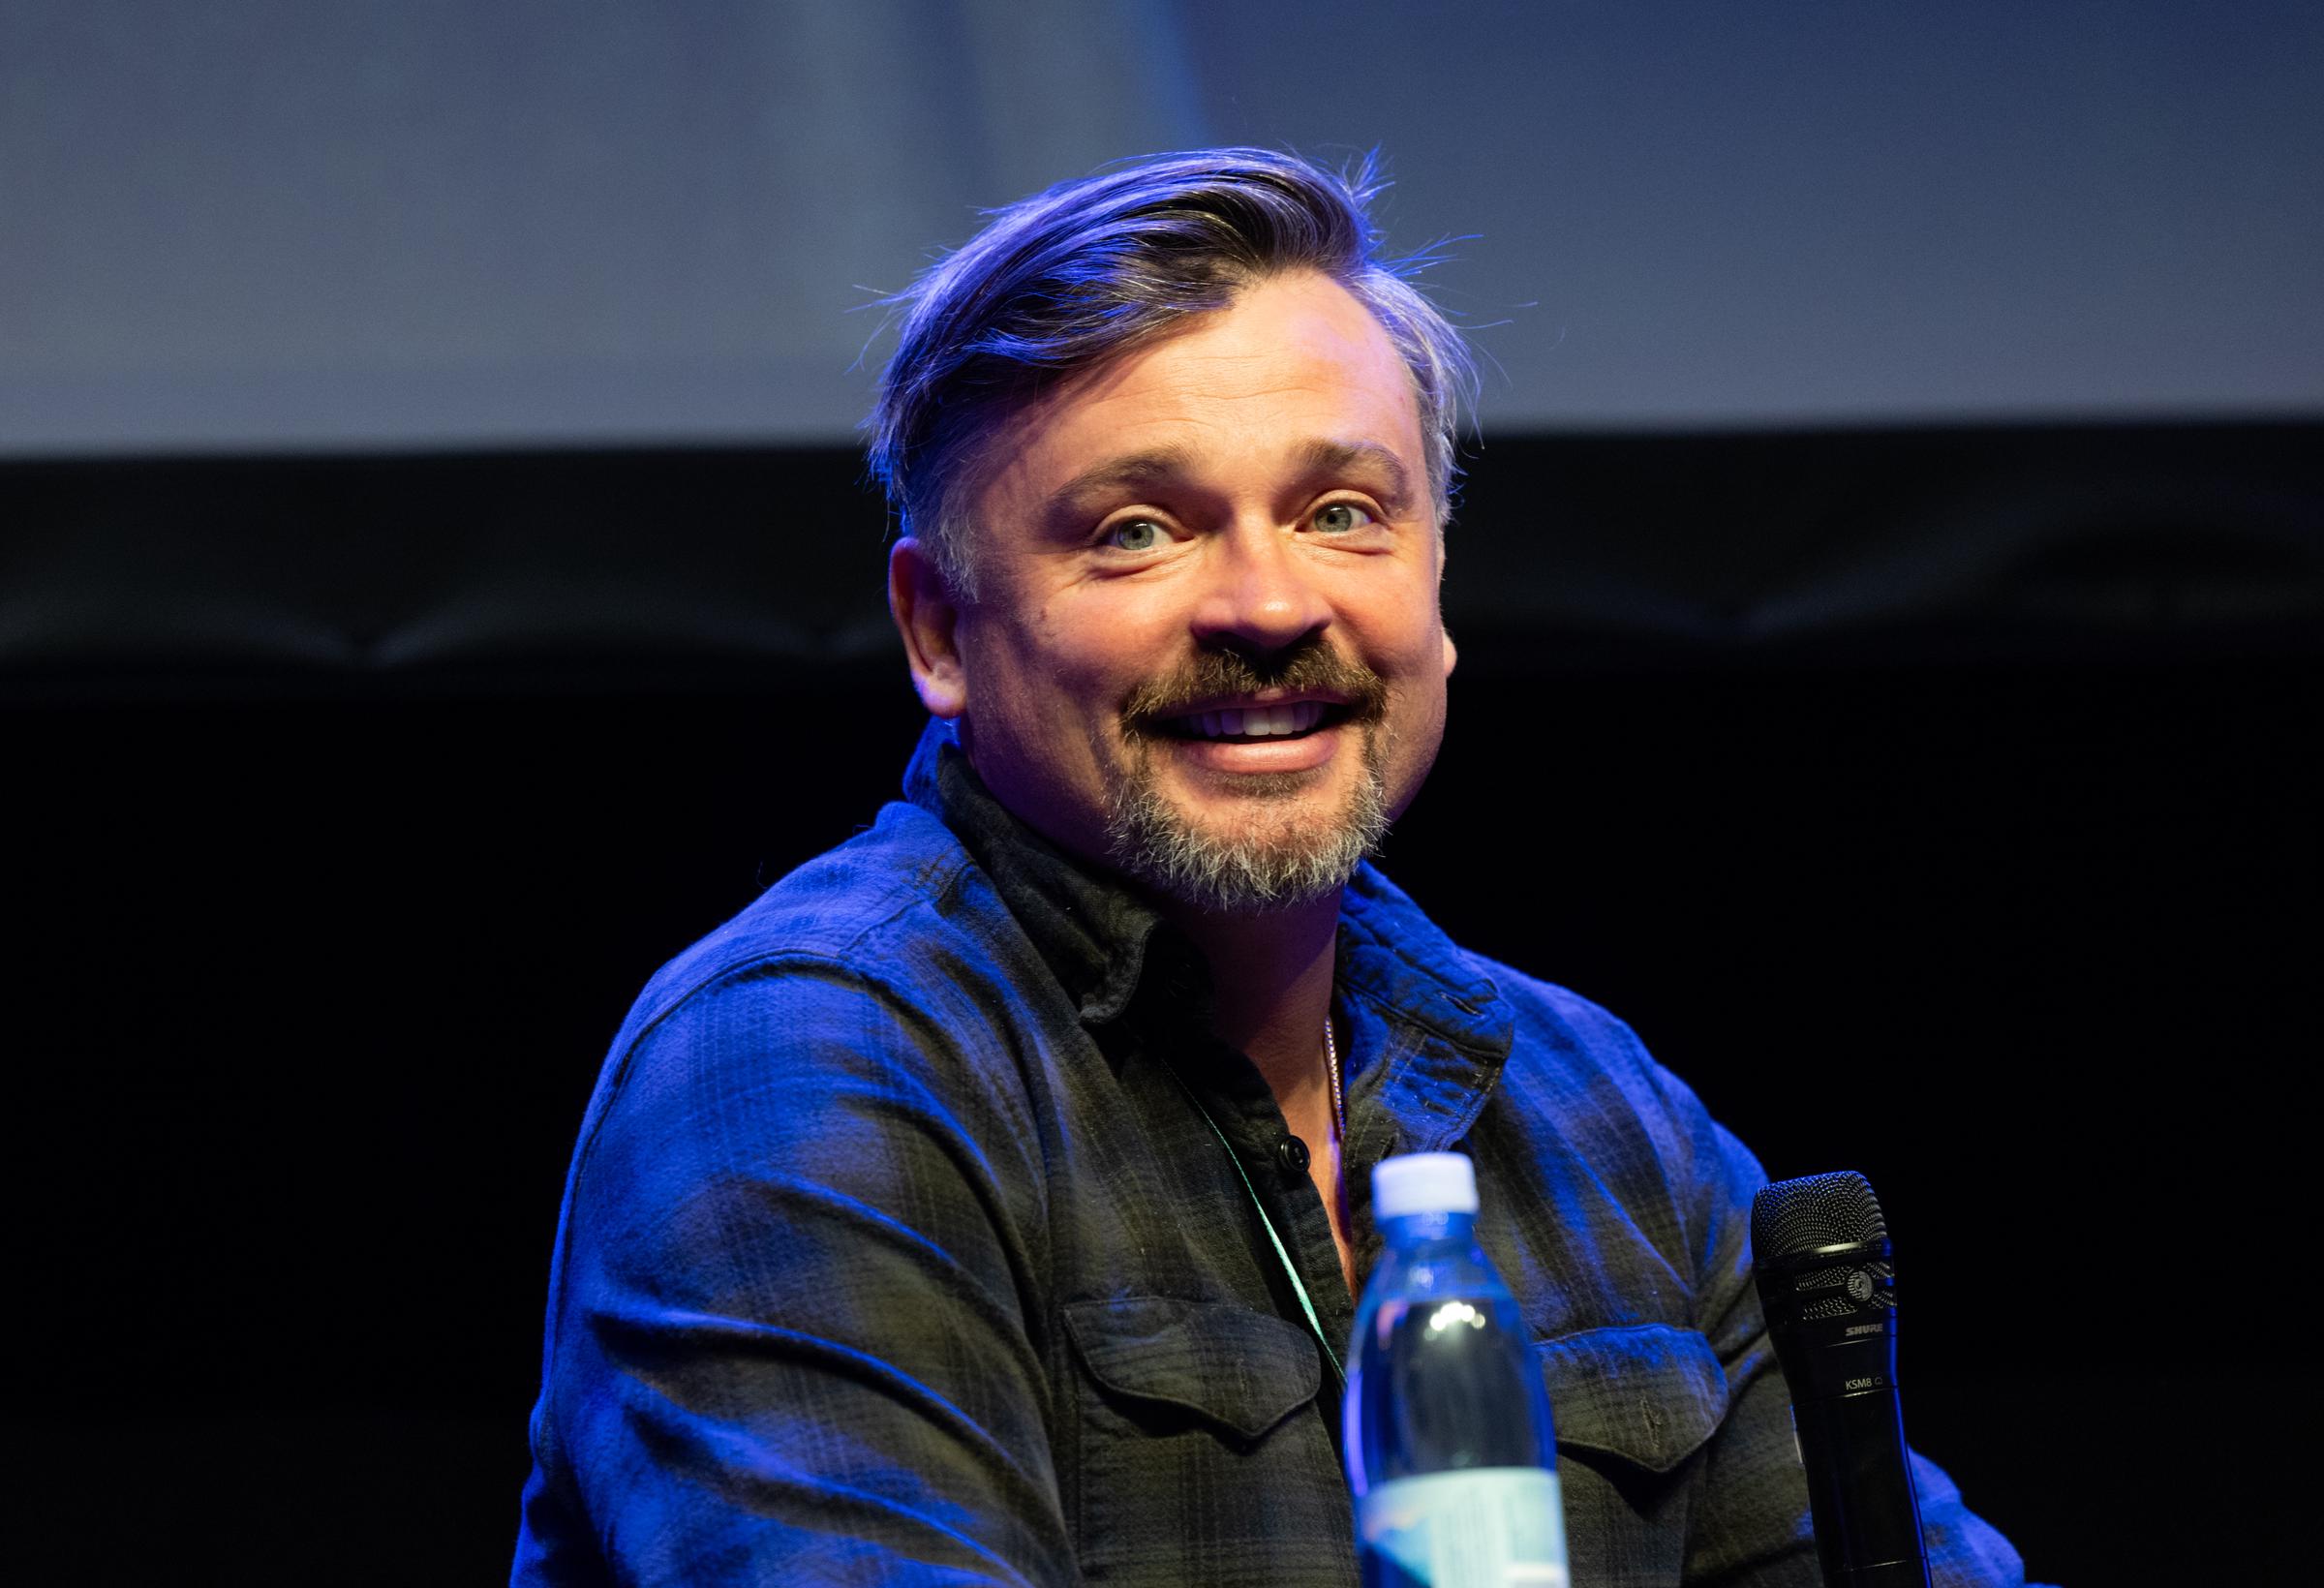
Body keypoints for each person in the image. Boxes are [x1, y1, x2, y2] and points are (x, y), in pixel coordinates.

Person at [511, 148, 2032, 1586]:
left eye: (1343, 512)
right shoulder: (807, 1058)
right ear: (940, 633)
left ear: (1438, 578)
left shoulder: (1597, 1107)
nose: (1267, 600)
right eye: (1137, 531)